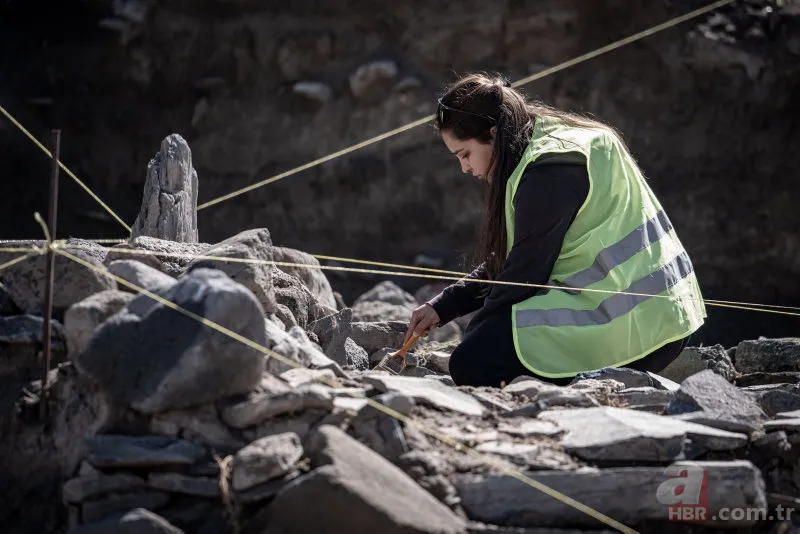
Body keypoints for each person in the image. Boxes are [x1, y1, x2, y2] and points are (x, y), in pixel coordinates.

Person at [404, 72, 707, 387]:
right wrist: (443, 306)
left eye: (464, 154)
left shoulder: (547, 173)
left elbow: (523, 274)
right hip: (672, 312)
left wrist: (477, 333)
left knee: (471, 360)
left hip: (639, 328)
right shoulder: (560, 136)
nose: (464, 168)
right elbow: (516, 257)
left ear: (492, 134)